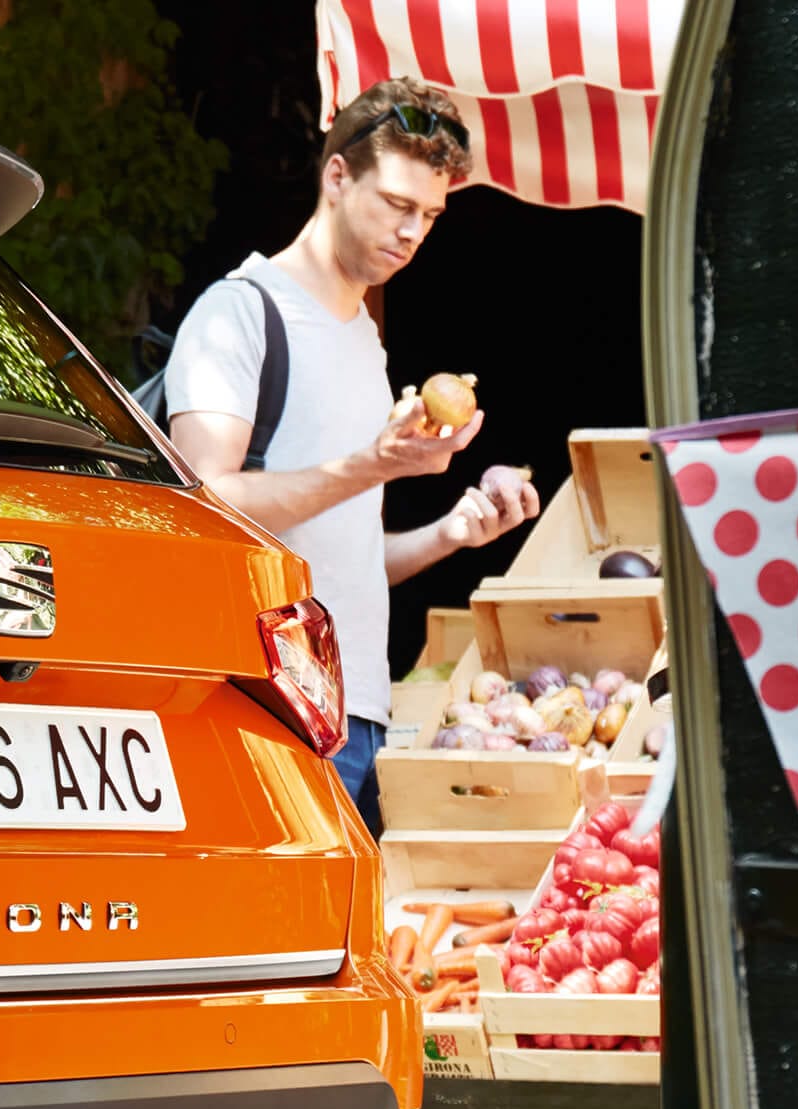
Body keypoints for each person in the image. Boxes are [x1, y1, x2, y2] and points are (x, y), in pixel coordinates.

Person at [165, 77, 542, 829]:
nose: (413, 233)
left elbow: (344, 554)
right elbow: (203, 501)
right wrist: (374, 465)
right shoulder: (241, 311)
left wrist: (450, 534)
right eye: (398, 205)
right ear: (337, 176)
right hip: (268, 708)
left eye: (430, 215)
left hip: (362, 710)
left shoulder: (366, 343)